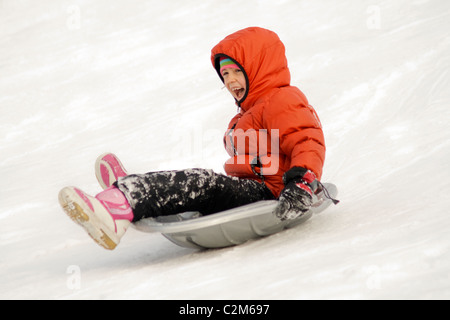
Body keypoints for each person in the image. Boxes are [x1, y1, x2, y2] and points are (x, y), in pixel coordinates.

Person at [58, 27, 326, 250]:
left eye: (236, 71)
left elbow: (306, 140)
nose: (230, 81)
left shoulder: (281, 99)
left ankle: (121, 205)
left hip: (272, 192)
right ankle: (130, 190)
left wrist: (302, 182)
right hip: (252, 187)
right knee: (199, 186)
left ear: (259, 67)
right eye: (225, 74)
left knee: (203, 183)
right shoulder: (248, 111)